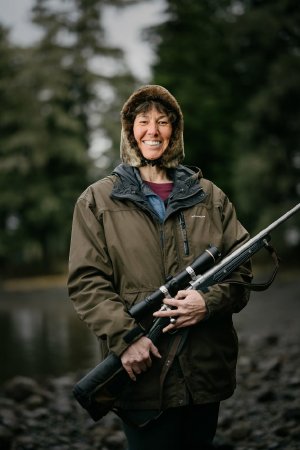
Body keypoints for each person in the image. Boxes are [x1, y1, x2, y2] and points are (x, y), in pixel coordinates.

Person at [68, 85, 252, 450]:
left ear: (175, 132)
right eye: (143, 121)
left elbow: (242, 272)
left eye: (163, 122)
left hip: (204, 372)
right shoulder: (96, 200)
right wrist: (127, 339)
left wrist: (207, 303)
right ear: (129, 131)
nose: (153, 130)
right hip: (141, 373)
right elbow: (87, 282)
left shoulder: (210, 195)